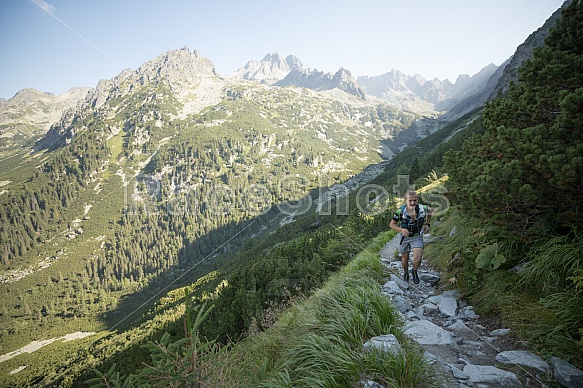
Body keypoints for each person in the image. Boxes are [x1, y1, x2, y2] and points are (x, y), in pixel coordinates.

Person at [389, 191, 432, 284]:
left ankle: (414, 271)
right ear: (405, 200)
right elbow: (392, 224)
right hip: (404, 237)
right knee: (405, 258)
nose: (412, 203)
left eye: (415, 200)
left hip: (417, 236)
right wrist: (401, 230)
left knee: (418, 257)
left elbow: (430, 211)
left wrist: (427, 224)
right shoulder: (400, 211)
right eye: (410, 201)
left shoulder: (422, 208)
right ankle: (406, 273)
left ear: (417, 200)